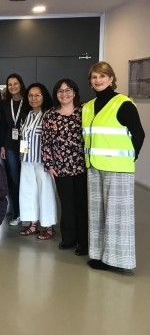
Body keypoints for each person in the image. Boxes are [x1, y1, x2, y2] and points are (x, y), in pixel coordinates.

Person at [82, 62, 145, 272]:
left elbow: (139, 134)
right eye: (94, 77)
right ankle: (99, 255)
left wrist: (130, 158)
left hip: (117, 168)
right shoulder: (88, 107)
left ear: (111, 79)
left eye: (102, 76)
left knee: (117, 216)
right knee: (97, 214)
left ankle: (118, 261)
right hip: (93, 166)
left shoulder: (123, 103)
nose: (97, 80)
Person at [42, 79, 88, 255]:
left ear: (74, 92)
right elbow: (46, 141)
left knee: (81, 205)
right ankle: (69, 239)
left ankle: (83, 242)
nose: (64, 94)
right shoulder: (50, 115)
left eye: (68, 90)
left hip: (82, 166)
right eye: (60, 91)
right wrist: (49, 164)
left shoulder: (84, 111)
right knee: (67, 205)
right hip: (61, 168)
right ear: (56, 94)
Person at [18, 83, 57, 240]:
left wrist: (51, 162)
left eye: (37, 95)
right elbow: (23, 137)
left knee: (45, 194)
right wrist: (21, 156)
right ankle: (33, 224)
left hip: (43, 163)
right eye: (30, 95)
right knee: (28, 193)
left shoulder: (49, 115)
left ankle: (48, 226)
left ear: (44, 97)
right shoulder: (27, 115)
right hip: (27, 161)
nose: (33, 98)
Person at [0, 74, 29, 226]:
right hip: (10, 145)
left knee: (28, 178)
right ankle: (17, 213)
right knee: (14, 179)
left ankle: (29, 213)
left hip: (27, 145)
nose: (12, 87)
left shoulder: (28, 101)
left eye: (15, 83)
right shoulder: (5, 104)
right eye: (10, 84)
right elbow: (2, 126)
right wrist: (3, 146)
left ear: (21, 84)